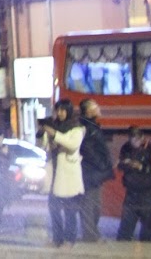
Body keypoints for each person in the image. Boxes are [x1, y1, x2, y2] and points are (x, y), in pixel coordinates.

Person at [41, 99, 87, 247]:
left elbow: (72, 145)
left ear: (69, 111)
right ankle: (57, 238)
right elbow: (44, 146)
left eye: (63, 110)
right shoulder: (53, 126)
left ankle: (70, 240)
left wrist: (55, 134)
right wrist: (44, 134)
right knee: (53, 209)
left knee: (70, 210)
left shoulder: (76, 128)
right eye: (58, 110)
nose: (60, 113)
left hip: (68, 177)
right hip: (54, 174)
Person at [79, 98, 114, 241]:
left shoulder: (93, 126)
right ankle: (90, 236)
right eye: (95, 106)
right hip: (90, 172)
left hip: (95, 173)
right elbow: (87, 149)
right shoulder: (87, 127)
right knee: (89, 204)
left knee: (95, 205)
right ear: (88, 111)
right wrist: (101, 164)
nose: (98, 108)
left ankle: (93, 234)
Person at [117, 126, 151, 242]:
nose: (133, 142)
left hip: (147, 194)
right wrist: (125, 164)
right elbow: (120, 164)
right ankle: (122, 247)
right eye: (131, 138)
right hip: (131, 193)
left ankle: (146, 246)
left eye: (136, 139)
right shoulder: (126, 148)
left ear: (142, 137)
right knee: (125, 229)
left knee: (147, 229)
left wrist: (141, 167)